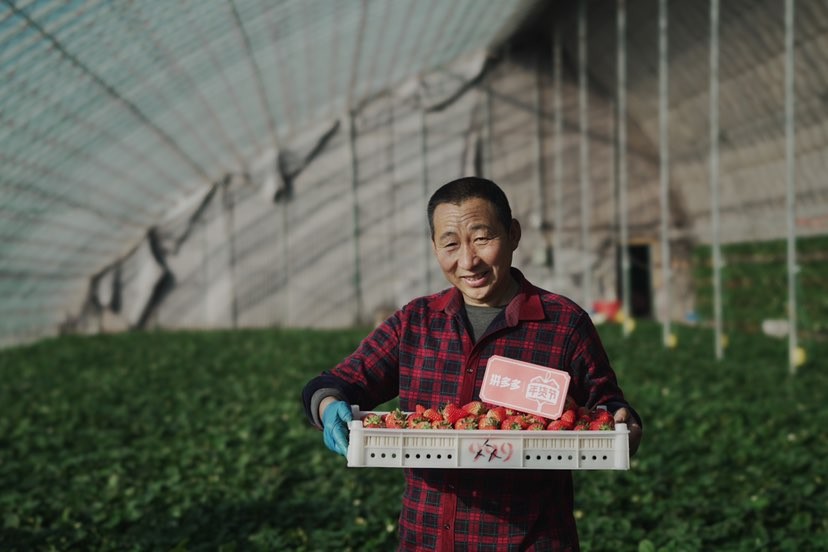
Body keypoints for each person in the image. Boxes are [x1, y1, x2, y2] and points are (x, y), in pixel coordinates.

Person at [302, 176, 643, 551]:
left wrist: (623, 423)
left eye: (482, 238)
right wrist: (328, 404)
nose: (468, 261)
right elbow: (340, 381)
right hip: (426, 540)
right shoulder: (416, 322)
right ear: (434, 248)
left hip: (530, 541)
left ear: (513, 234)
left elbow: (608, 406)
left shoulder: (563, 324)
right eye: (450, 244)